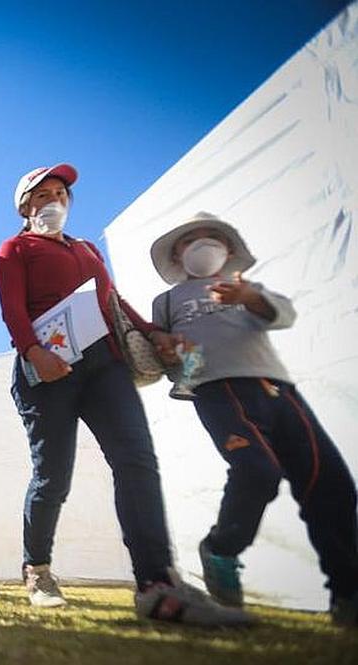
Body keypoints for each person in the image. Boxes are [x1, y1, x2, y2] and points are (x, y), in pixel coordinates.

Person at [0, 163, 252, 626]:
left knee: (136, 459)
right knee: (53, 474)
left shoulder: (87, 250)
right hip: (48, 369)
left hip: (104, 365)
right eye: (42, 195)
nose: (53, 201)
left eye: (61, 194)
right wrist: (33, 351)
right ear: (25, 207)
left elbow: (113, 300)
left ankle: (156, 583)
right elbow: (12, 307)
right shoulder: (16, 248)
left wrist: (154, 333)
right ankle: (37, 568)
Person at [150, 212, 358, 627]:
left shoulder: (245, 288)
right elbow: (162, 355)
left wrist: (249, 298)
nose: (203, 244)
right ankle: (222, 548)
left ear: (229, 250)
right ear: (177, 253)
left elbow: (285, 315)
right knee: (257, 470)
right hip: (217, 390)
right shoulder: (168, 301)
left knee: (328, 482)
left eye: (213, 237)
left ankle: (348, 594)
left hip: (278, 388)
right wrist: (169, 352)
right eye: (192, 239)